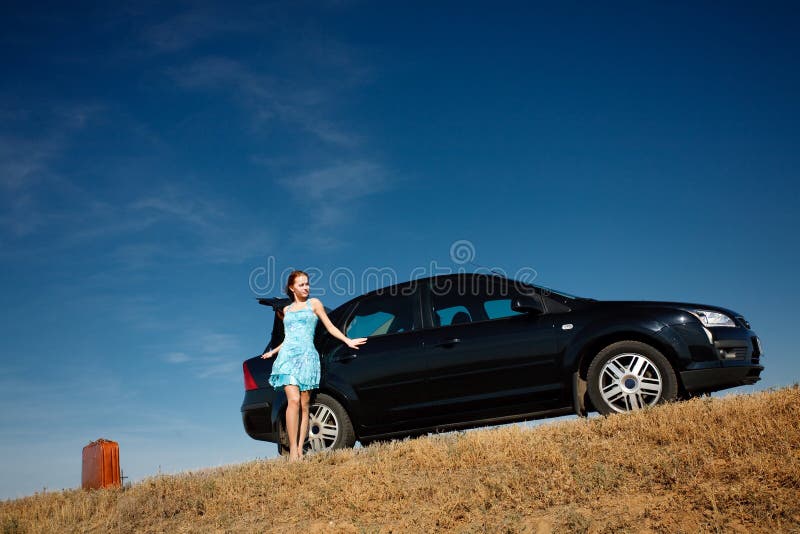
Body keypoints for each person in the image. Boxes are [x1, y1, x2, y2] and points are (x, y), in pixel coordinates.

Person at [261, 270, 367, 461]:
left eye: (307, 284)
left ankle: (301, 447)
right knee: (292, 401)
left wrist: (347, 341)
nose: (306, 287)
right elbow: (289, 338)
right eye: (301, 285)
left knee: (304, 405)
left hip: (308, 357)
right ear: (292, 288)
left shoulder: (314, 304)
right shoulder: (286, 311)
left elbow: (330, 327)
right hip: (288, 358)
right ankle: (293, 450)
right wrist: (273, 351)